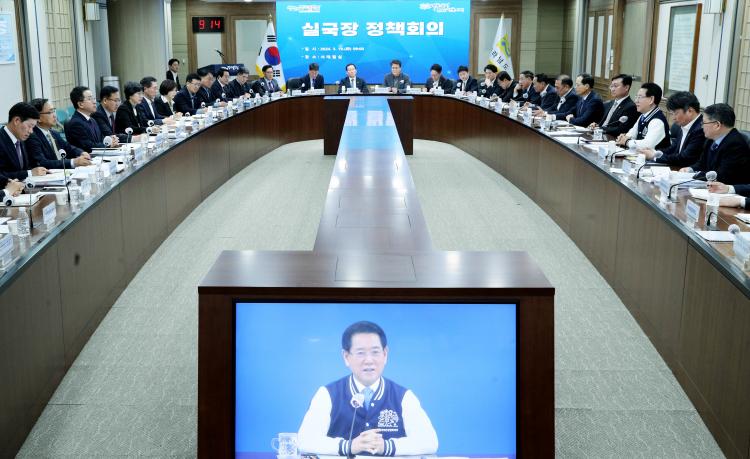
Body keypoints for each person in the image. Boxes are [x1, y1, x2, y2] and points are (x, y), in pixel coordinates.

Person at [298, 321, 438, 456]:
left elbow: (430, 442)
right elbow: (305, 441)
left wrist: (386, 446)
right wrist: (349, 446)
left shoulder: (404, 397)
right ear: (346, 357)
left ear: (385, 354)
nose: (369, 360)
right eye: (360, 353)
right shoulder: (327, 394)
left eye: (375, 352)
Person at [680, 103, 750, 184]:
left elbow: (721, 175)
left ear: (717, 125)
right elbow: (702, 163)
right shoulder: (711, 139)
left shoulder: (735, 144)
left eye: (704, 123)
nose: (702, 126)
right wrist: (690, 169)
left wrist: (696, 175)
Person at [638, 91, 704, 167]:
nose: (673, 118)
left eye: (675, 113)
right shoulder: (685, 123)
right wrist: (655, 152)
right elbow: (673, 148)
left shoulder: (701, 129)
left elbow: (685, 158)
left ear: (690, 111)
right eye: (672, 114)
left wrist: (654, 156)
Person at [26, 98, 91, 169]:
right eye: (50, 112)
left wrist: (81, 153)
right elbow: (42, 163)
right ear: (38, 118)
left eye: (54, 111)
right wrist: (73, 162)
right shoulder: (32, 136)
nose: (55, 115)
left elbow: (68, 147)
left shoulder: (54, 133)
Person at [616, 82, 670, 150]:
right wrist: (624, 137)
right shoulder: (643, 115)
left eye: (640, 97)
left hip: (654, 156)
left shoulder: (657, 121)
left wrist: (626, 142)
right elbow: (632, 134)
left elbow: (647, 145)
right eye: (636, 97)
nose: (636, 101)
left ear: (651, 99)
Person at [0, 102, 47, 180]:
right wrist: (29, 173)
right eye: (29, 126)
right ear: (17, 121)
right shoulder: (2, 140)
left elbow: (24, 167)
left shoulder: (21, 138)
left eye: (33, 127)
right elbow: (1, 175)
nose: (31, 131)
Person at [65, 86, 119, 151]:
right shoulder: (76, 123)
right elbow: (88, 146)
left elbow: (100, 139)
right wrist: (108, 145)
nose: (94, 102)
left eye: (93, 98)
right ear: (80, 104)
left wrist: (111, 140)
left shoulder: (92, 120)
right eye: (90, 99)